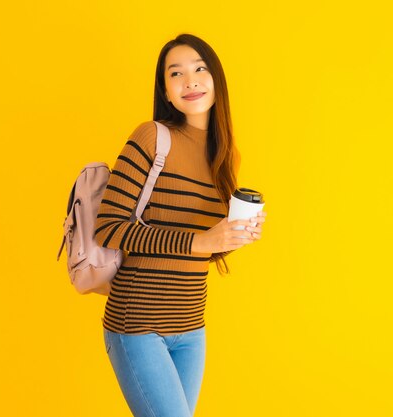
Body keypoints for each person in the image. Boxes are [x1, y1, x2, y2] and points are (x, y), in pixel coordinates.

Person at [94, 33, 267, 417]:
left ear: (216, 81)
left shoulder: (226, 156)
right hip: (138, 323)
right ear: (166, 91)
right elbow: (108, 227)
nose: (190, 81)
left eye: (199, 69)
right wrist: (202, 240)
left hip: (192, 329)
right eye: (176, 73)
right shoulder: (152, 137)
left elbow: (203, 249)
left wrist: (233, 237)